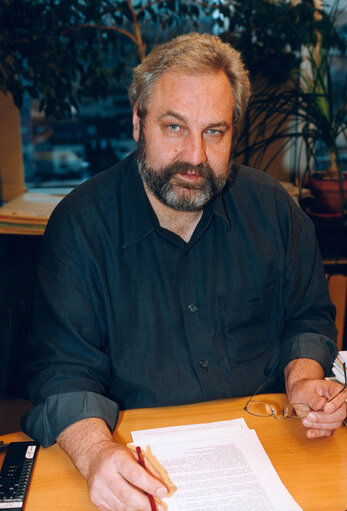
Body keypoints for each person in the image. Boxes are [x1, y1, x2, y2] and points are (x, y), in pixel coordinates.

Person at [22, 32, 345, 511]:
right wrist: (94, 454)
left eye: (214, 131)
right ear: (138, 122)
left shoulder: (274, 209)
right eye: (174, 127)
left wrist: (303, 379)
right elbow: (61, 374)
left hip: (267, 451)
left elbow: (307, 317)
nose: (195, 156)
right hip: (136, 457)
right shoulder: (80, 228)